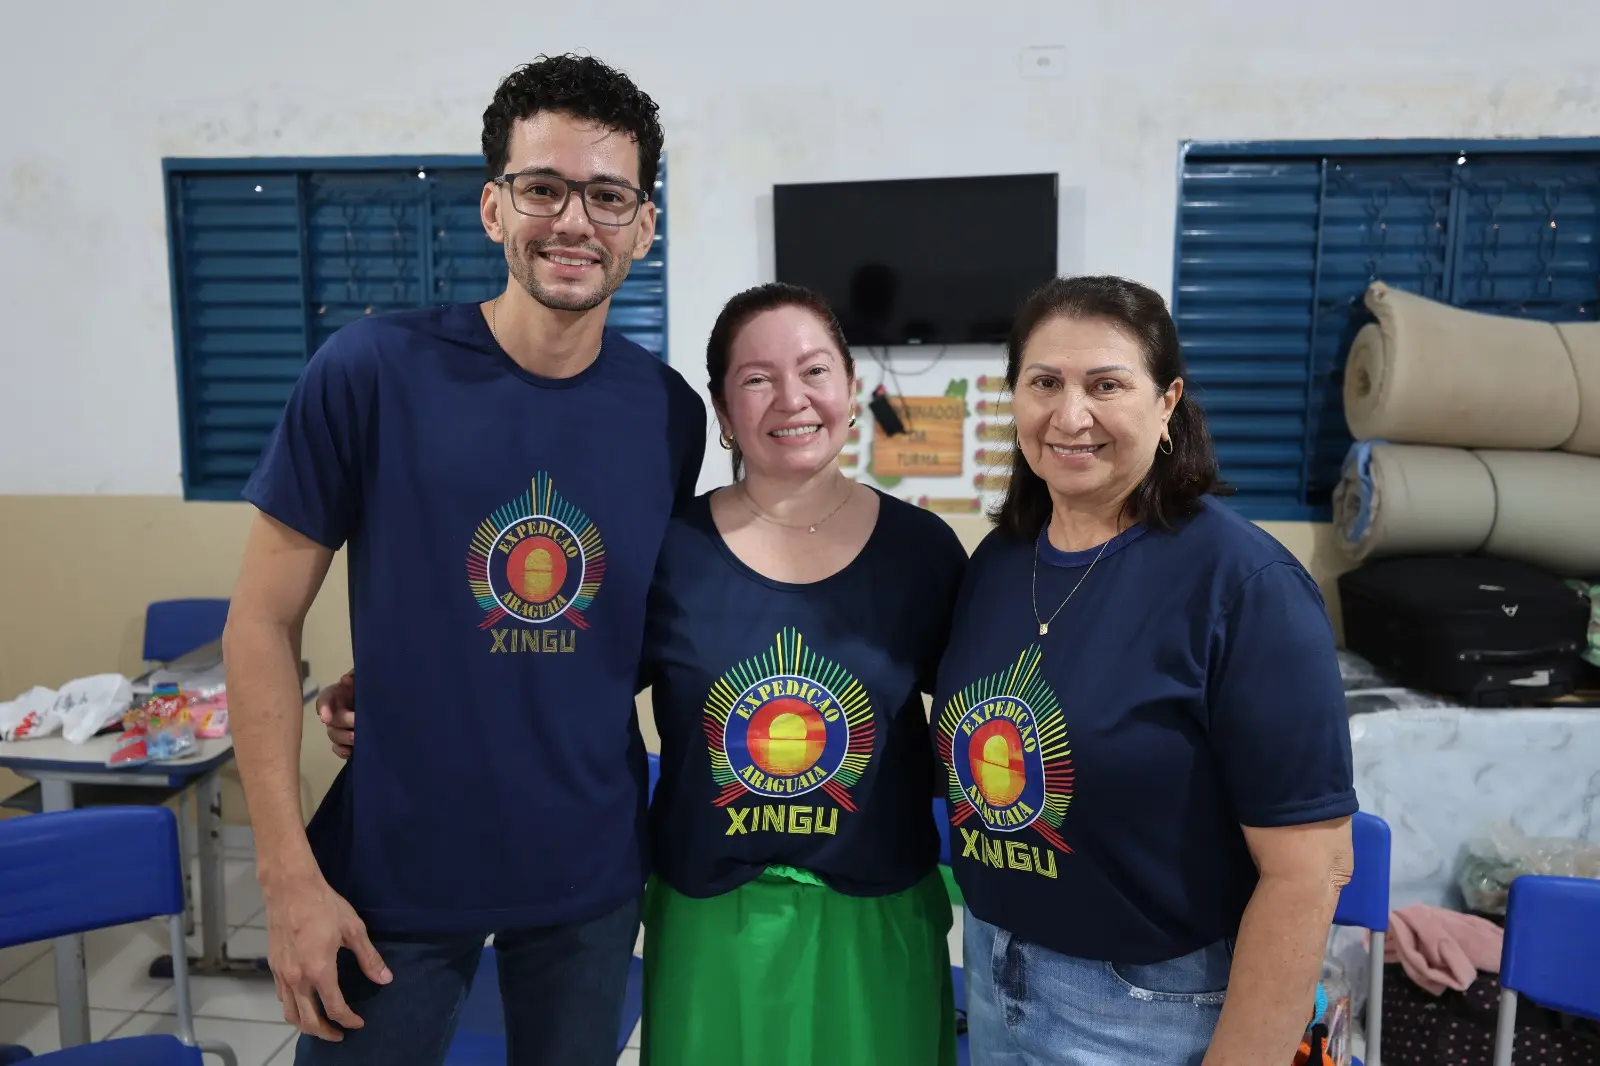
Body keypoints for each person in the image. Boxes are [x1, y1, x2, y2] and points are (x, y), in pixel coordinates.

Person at [319, 282, 969, 1066]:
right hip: (708, 911)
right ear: (723, 414)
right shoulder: (668, 552)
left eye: (814, 370)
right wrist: (394, 684)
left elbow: (980, 716)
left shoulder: (925, 552)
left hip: (877, 911)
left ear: (851, 389)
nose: (790, 398)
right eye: (756, 379)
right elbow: (557, 674)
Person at [220, 54, 705, 1066]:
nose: (574, 220)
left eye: (608, 195)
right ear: (494, 206)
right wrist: (286, 873)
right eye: (544, 188)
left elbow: (628, 632)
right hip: (390, 874)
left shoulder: (667, 414)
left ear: (644, 225)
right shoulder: (371, 369)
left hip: (587, 876)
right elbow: (261, 620)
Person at [933, 274, 1356, 1065]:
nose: (1070, 415)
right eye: (1044, 382)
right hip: (991, 970)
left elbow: (1311, 870)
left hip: (1151, 1009)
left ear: (1167, 404)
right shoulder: (1000, 561)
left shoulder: (1244, 586)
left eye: (1106, 385)